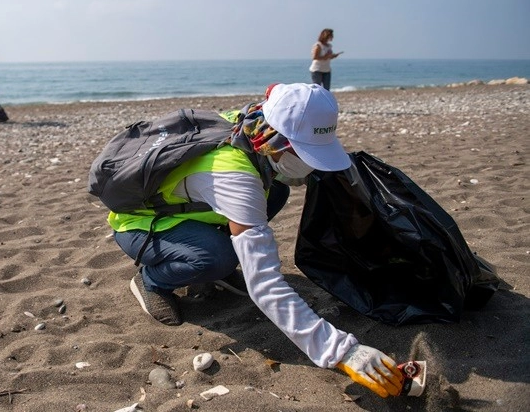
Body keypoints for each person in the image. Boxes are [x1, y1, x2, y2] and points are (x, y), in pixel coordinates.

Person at [108, 83, 404, 398]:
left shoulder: (251, 123)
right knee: (217, 258)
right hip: (137, 223)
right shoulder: (235, 176)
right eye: (305, 154)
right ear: (279, 142)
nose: (312, 167)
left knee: (277, 190)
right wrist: (342, 352)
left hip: (185, 209)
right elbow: (265, 285)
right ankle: (152, 280)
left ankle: (211, 257)